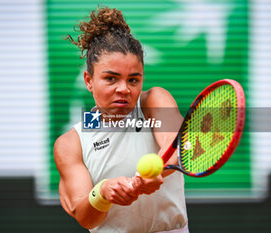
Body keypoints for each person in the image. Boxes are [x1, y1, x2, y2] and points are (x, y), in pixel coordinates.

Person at [54, 6, 189, 233]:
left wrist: (152, 173)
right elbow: (86, 217)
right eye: (111, 78)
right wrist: (103, 192)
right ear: (89, 80)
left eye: (133, 80)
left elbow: (175, 146)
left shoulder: (154, 101)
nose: (124, 89)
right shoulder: (70, 143)